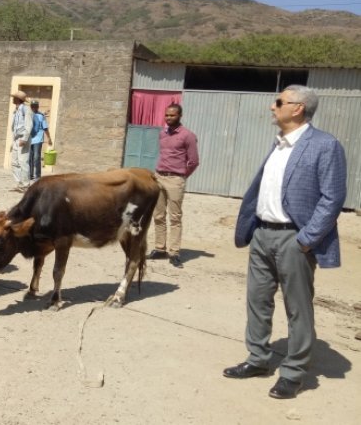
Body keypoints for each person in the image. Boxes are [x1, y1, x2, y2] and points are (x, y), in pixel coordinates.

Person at [224, 85, 347, 400]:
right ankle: (258, 359)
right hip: (262, 235)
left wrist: (305, 240)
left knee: (298, 308)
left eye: (278, 101)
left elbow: (332, 199)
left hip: (295, 238)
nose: (271, 107)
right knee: (257, 301)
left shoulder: (324, 145)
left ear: (298, 108)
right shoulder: (279, 144)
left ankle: (293, 372)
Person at [148, 103, 199, 268]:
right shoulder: (162, 134)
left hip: (175, 180)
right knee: (158, 215)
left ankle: (174, 252)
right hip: (159, 177)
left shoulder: (188, 136)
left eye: (172, 115)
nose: (169, 118)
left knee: (175, 217)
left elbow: (194, 161)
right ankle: (159, 248)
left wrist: (182, 176)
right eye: (167, 115)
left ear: (180, 116)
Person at [9, 90, 33, 192]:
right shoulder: (17, 110)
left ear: (18, 99)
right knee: (14, 162)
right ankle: (20, 183)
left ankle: (25, 185)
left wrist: (24, 139)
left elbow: (29, 125)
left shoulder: (26, 110)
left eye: (14, 97)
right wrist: (13, 140)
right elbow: (15, 126)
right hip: (16, 139)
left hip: (23, 138)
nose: (13, 99)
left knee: (23, 162)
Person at [28, 100, 53, 183]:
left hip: (38, 139)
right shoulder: (28, 115)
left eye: (35, 106)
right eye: (32, 106)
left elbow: (45, 128)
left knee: (36, 157)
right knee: (29, 157)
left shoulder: (41, 116)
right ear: (31, 107)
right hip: (29, 139)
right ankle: (30, 174)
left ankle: (37, 175)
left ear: (38, 107)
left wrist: (49, 138)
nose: (34, 108)